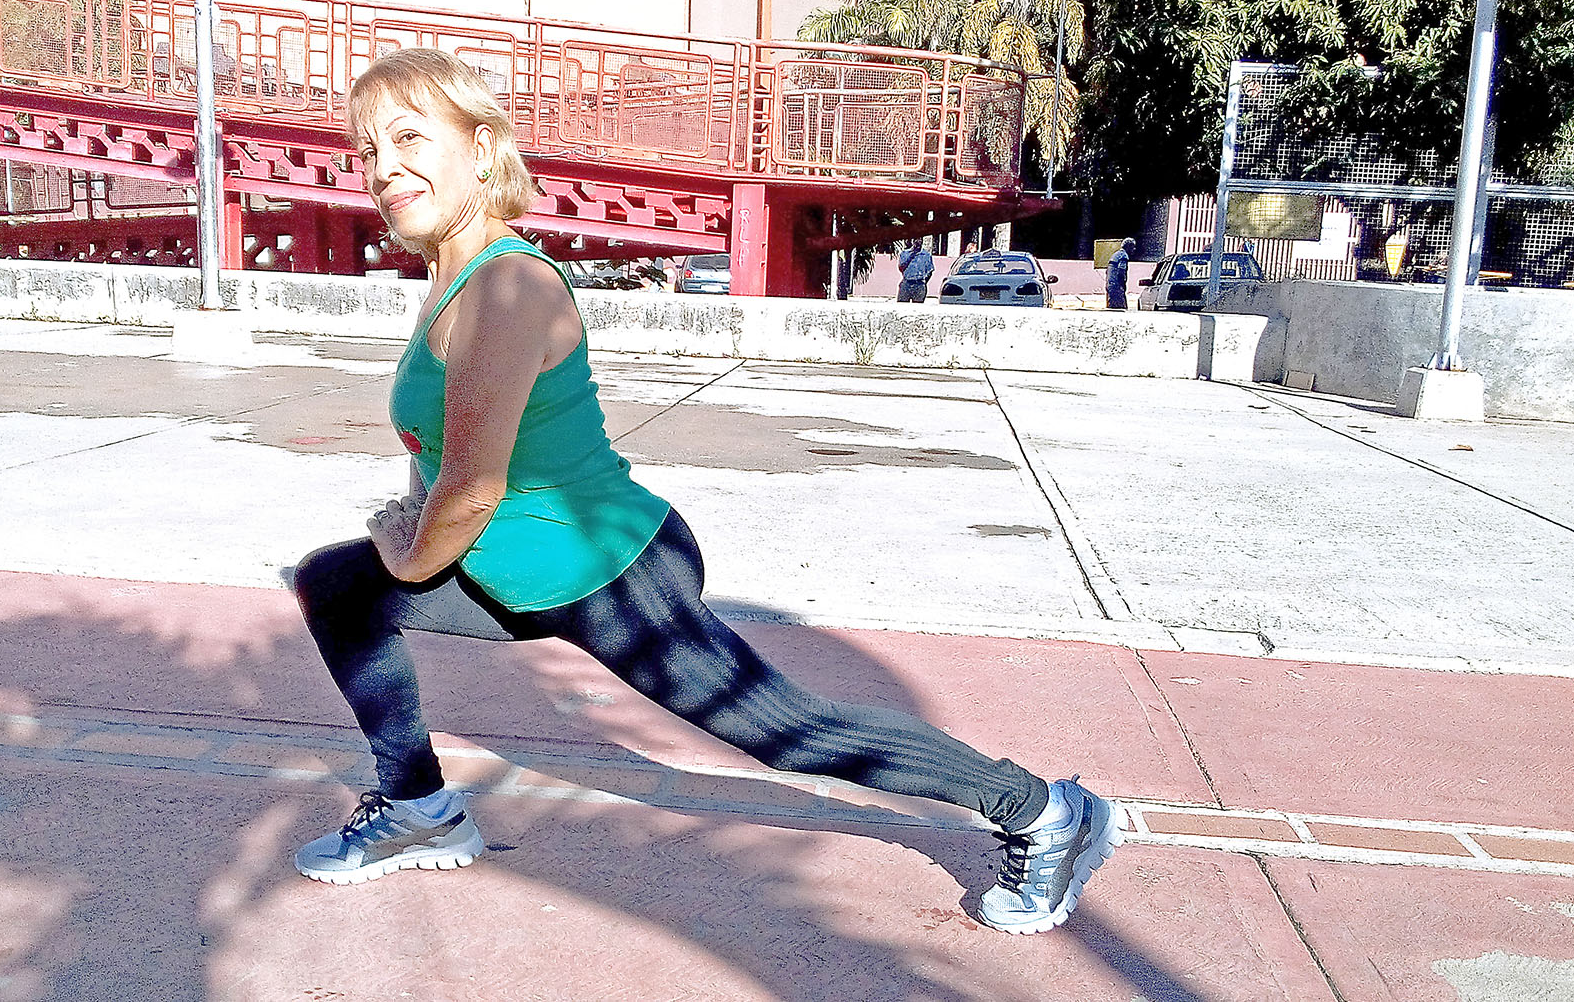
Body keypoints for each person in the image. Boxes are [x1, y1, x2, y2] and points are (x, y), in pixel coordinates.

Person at [288, 48, 1123, 935]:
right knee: (336, 587)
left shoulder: (505, 283)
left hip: (607, 574)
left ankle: (1046, 810)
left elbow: (470, 488)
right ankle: (418, 807)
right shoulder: (450, 277)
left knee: (788, 730)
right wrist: (405, 530)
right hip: (517, 567)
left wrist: (403, 541)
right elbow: (450, 459)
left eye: (408, 138)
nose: (381, 169)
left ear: (482, 142)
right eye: (367, 150)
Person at [896, 237, 934, 303]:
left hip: (919, 284)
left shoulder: (926, 255)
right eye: (916, 239)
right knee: (901, 305)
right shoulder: (905, 253)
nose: (918, 241)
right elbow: (901, 267)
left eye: (920, 239)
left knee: (918, 307)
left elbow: (930, 271)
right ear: (912, 241)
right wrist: (911, 256)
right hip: (906, 283)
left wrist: (923, 282)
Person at [1106, 238, 1137, 310]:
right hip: (1117, 286)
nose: (1134, 249)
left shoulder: (1115, 255)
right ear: (1128, 246)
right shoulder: (1124, 256)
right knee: (1121, 308)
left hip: (1110, 285)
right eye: (1132, 247)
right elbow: (1121, 272)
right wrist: (1122, 285)